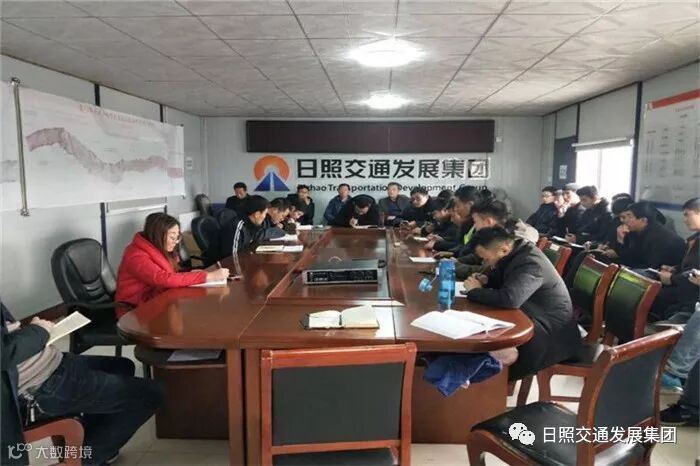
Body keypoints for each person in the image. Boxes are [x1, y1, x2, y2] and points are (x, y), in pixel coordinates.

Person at [1, 302, 163, 466]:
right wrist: (38, 330)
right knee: (151, 394)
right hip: (36, 387)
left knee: (122, 367)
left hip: (51, 363)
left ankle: (91, 446)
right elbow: (5, 353)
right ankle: (86, 459)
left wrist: (32, 330)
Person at [463, 227, 580, 381]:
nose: (484, 263)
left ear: (504, 250)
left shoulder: (531, 263)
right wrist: (488, 281)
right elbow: (509, 283)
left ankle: (486, 388)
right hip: (531, 317)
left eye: (485, 259)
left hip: (550, 335)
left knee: (483, 349)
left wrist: (475, 291)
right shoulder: (515, 253)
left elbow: (510, 299)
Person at [116, 213, 229, 314]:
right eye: (172, 237)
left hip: (157, 299)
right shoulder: (135, 255)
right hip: (135, 310)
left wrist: (192, 272)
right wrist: (208, 276)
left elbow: (172, 272)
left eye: (177, 237)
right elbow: (163, 278)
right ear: (157, 235)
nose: (176, 241)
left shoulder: (159, 247)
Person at [648, 198, 700, 321]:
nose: (685, 220)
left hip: (692, 296)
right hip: (685, 288)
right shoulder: (694, 239)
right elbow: (689, 266)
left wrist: (672, 279)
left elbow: (694, 272)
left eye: (687, 215)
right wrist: (674, 269)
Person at [612, 202, 686, 270]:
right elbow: (628, 257)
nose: (625, 220)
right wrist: (620, 240)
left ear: (644, 220)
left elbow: (649, 268)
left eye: (630, 217)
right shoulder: (634, 232)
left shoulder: (662, 239)